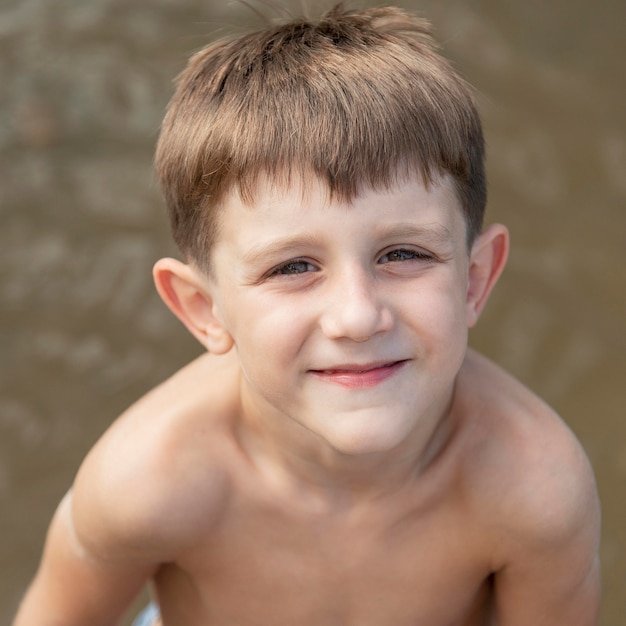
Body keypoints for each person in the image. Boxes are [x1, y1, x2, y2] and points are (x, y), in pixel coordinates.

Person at [13, 5, 601, 626]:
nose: (356, 316)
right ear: (204, 309)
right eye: (293, 267)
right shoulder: (150, 483)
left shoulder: (534, 491)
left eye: (404, 254)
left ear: (474, 280)